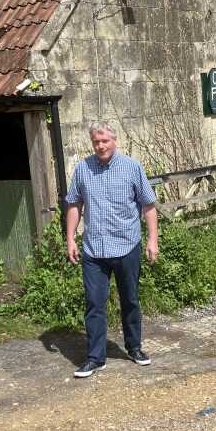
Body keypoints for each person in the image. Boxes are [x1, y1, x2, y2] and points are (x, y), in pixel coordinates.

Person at [66, 122, 159, 378]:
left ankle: (134, 347)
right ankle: (96, 358)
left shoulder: (132, 167)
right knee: (94, 303)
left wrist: (153, 240)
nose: (101, 146)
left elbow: (148, 205)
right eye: (96, 142)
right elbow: (74, 204)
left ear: (114, 141)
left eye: (105, 141)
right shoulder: (83, 169)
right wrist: (70, 238)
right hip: (94, 250)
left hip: (127, 245)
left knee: (129, 299)